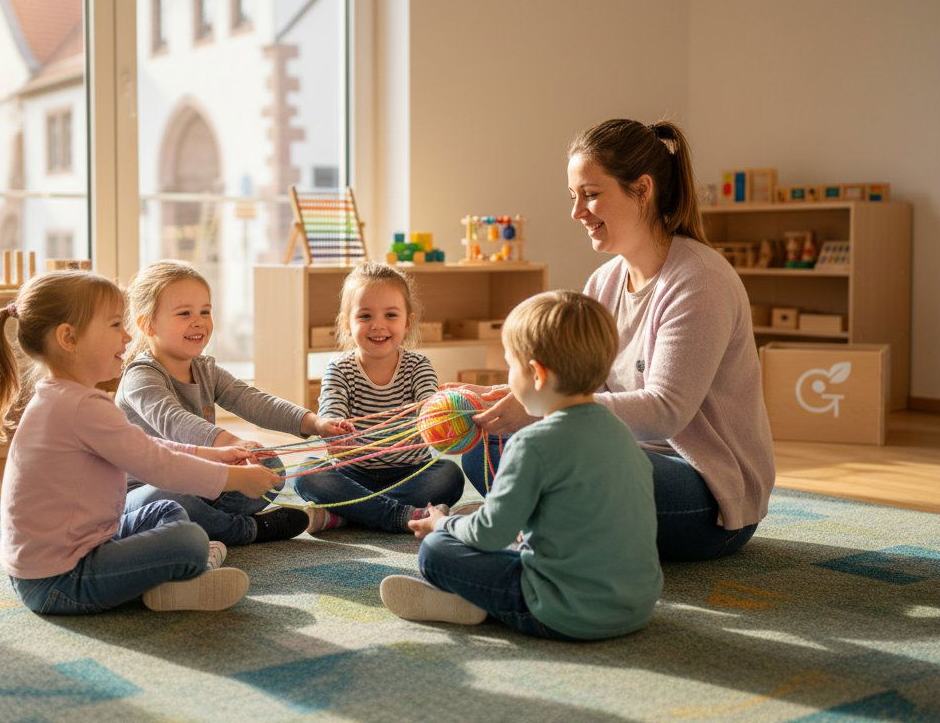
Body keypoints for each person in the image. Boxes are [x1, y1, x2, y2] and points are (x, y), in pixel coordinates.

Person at [460, 119, 775, 561]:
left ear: (642, 190)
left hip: (705, 493)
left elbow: (665, 412)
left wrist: (541, 409)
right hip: (619, 454)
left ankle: (522, 525)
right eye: (574, 197)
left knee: (556, 464)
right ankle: (539, 525)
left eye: (590, 194)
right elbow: (575, 386)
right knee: (487, 443)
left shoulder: (699, 281)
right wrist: (510, 397)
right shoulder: (604, 282)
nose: (577, 212)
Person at [0, 269, 283, 615]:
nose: (127, 338)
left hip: (70, 554)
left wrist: (214, 454)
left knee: (169, 512)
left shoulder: (65, 398)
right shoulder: (80, 406)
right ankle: (186, 577)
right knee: (189, 540)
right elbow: (157, 464)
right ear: (69, 338)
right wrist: (234, 479)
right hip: (60, 581)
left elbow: (145, 446)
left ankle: (178, 575)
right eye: (114, 326)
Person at [380, 290, 662, 639]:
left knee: (437, 551)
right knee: (511, 541)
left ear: (536, 374)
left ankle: (474, 603)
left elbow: (488, 534)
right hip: (636, 606)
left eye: (510, 366)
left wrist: (444, 525)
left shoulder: (532, 443)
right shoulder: (620, 431)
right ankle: (475, 599)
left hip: (566, 612)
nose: (507, 376)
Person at [116, 261, 351, 543]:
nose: (199, 321)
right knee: (170, 499)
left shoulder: (205, 368)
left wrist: (313, 422)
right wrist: (229, 442)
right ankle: (246, 530)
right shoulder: (140, 376)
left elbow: (251, 399)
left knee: (269, 464)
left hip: (202, 479)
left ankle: (208, 524)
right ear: (147, 324)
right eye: (184, 313)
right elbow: (173, 421)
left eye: (205, 311)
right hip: (142, 494)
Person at [292, 262, 465, 532]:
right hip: (351, 473)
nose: (378, 325)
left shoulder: (419, 366)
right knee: (308, 475)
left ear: (408, 322)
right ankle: (401, 515)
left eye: (391, 315)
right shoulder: (339, 368)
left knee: (449, 474)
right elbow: (331, 410)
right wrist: (333, 428)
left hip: (410, 474)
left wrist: (442, 418)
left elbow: (431, 409)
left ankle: (350, 513)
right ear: (346, 324)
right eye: (365, 316)